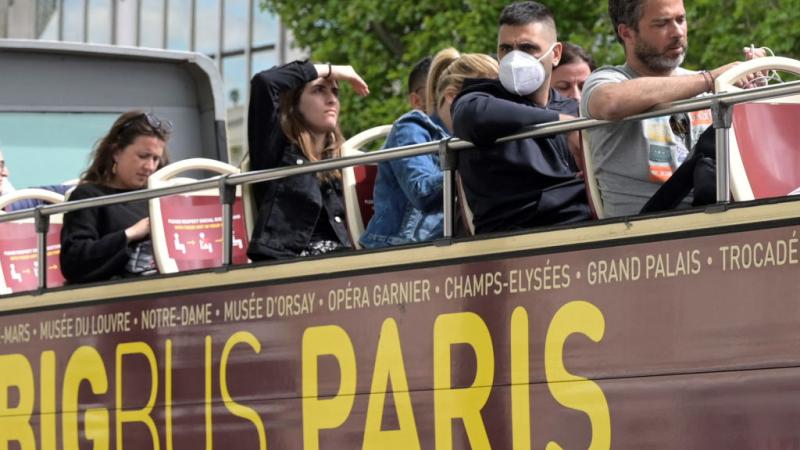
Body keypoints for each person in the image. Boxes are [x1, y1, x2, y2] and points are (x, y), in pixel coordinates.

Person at [580, 0, 757, 217]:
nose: (677, 32)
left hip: (716, 222)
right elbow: (611, 103)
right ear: (627, 33)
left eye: (680, 20)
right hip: (645, 235)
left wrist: (753, 91)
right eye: (662, 23)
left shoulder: (701, 82)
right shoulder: (608, 80)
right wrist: (709, 79)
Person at [451, 1, 590, 234]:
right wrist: (562, 124)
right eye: (506, 49)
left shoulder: (575, 108)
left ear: (555, 54)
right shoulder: (481, 98)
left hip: (585, 228)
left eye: (527, 48)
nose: (514, 59)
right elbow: (470, 117)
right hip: (515, 240)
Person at [360, 48, 499, 248]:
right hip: (401, 248)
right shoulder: (412, 126)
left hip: (453, 245)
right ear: (452, 96)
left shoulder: (469, 138)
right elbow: (422, 192)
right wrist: (470, 163)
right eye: (486, 99)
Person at [246, 60, 369, 260]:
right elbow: (265, 82)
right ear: (294, 103)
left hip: (347, 267)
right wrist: (332, 69)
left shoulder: (346, 160)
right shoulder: (276, 150)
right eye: (319, 90)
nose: (331, 100)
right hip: (292, 269)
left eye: (335, 93)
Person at [60, 111, 171, 283]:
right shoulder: (88, 196)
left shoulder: (159, 197)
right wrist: (131, 234)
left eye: (156, 159)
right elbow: (74, 262)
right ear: (116, 152)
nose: (150, 166)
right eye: (143, 156)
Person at [0, 146, 71, 211]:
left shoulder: (10, 202)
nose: (6, 173)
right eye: (0, 166)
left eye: (2, 165)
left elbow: (42, 197)